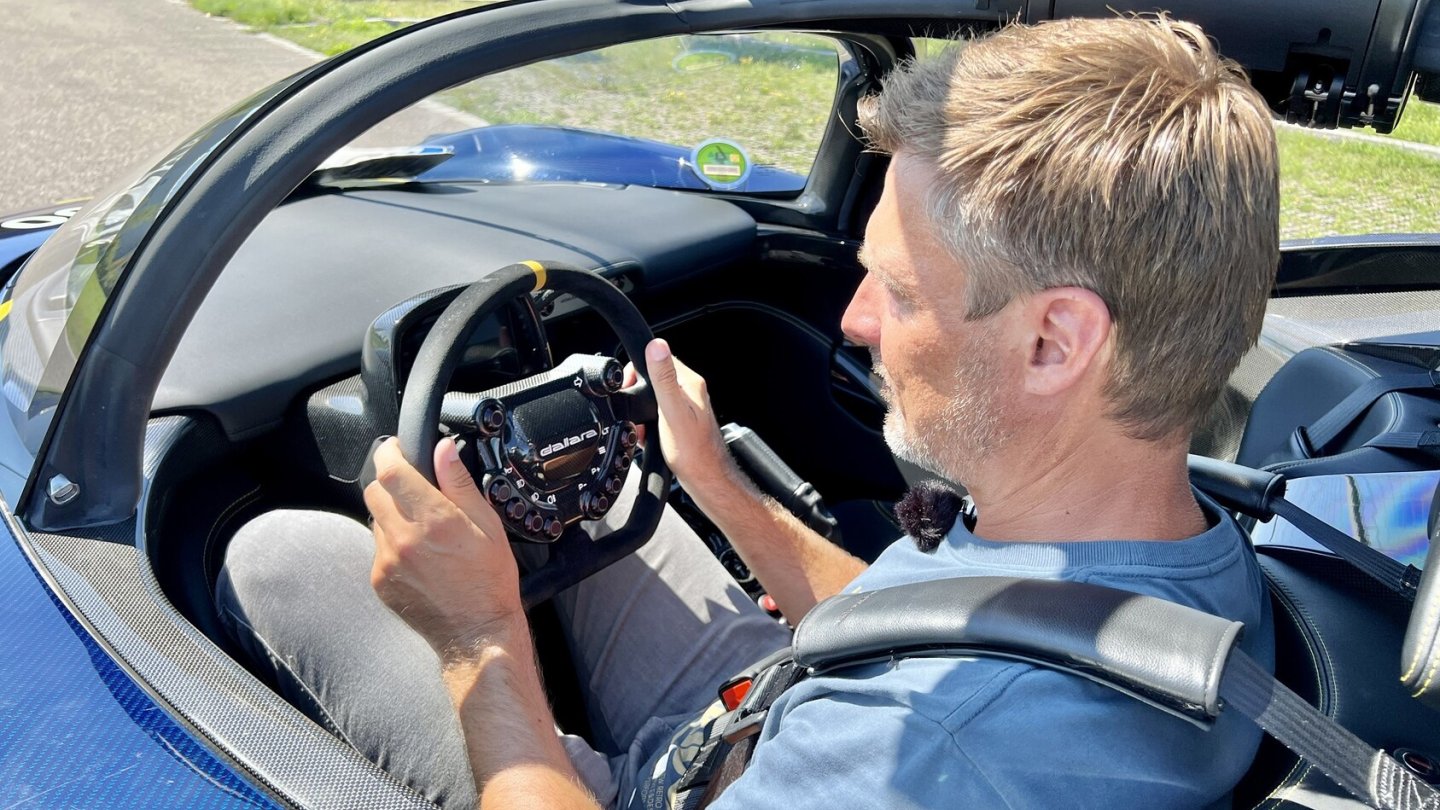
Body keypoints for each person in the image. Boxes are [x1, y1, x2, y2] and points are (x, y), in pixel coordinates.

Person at [218, 15, 1279, 810]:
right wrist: (715, 485)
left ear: (1054, 342)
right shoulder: (1156, 533)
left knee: (279, 557)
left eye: (899, 291)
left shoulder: (934, 753)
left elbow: (920, 709)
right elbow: (917, 621)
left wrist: (480, 637)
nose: (856, 319)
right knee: (590, 492)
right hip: (767, 709)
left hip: (733, 767)